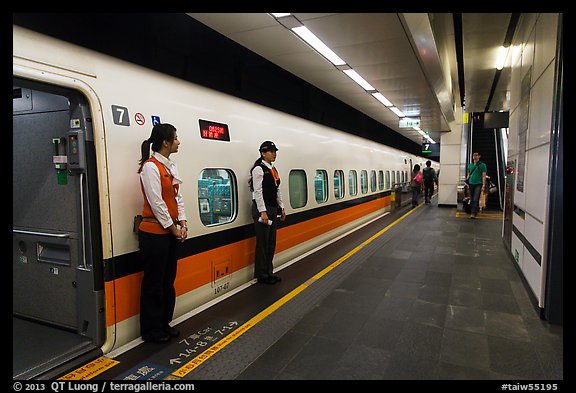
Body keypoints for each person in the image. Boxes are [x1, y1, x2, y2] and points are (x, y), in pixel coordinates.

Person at [137, 123, 187, 342]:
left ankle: (164, 322)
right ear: (165, 142)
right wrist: (173, 228)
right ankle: (151, 329)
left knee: (168, 281)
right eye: (175, 138)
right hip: (154, 234)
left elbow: (178, 197)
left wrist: (182, 222)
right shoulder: (150, 167)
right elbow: (157, 203)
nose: (178, 142)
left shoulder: (170, 167)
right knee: (154, 283)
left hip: (169, 233)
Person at [249, 141, 286, 284]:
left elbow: (277, 190)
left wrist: (281, 207)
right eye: (271, 151)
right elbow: (257, 192)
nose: (274, 154)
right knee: (262, 243)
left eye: (275, 151)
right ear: (263, 153)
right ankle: (261, 275)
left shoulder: (273, 169)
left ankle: (269, 272)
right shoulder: (258, 169)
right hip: (262, 210)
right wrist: (262, 212)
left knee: (271, 243)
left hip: (272, 209)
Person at [465, 151, 487, 219]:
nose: (474, 156)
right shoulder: (470, 165)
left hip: (478, 184)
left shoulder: (482, 165)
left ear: (479, 156)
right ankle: (474, 210)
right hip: (471, 183)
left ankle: (473, 213)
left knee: (475, 198)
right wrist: (467, 181)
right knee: (472, 198)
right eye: (473, 155)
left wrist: (483, 185)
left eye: (476, 155)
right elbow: (469, 174)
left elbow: (484, 176)